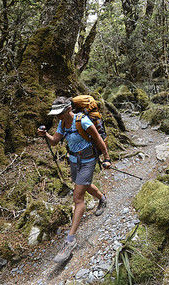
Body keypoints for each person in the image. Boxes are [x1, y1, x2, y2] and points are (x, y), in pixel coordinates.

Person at [37, 96, 111, 263]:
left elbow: (98, 139)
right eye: (56, 114)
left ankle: (70, 240)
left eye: (59, 113)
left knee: (78, 197)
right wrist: (45, 134)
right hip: (73, 160)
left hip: (88, 160)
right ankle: (102, 198)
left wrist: (106, 158)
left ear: (68, 109)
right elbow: (55, 142)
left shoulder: (82, 121)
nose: (57, 116)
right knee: (82, 186)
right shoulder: (62, 123)